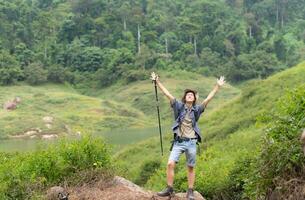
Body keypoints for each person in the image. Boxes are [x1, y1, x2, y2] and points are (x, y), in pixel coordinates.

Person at [150, 72, 225, 200]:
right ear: (185, 98)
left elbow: (208, 99)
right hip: (178, 142)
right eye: (188, 95)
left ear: (194, 99)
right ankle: (169, 188)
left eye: (192, 95)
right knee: (170, 164)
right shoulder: (179, 106)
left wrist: (217, 86)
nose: (190, 96)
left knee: (190, 167)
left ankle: (190, 191)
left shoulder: (197, 110)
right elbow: (167, 94)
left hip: (191, 142)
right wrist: (157, 82)